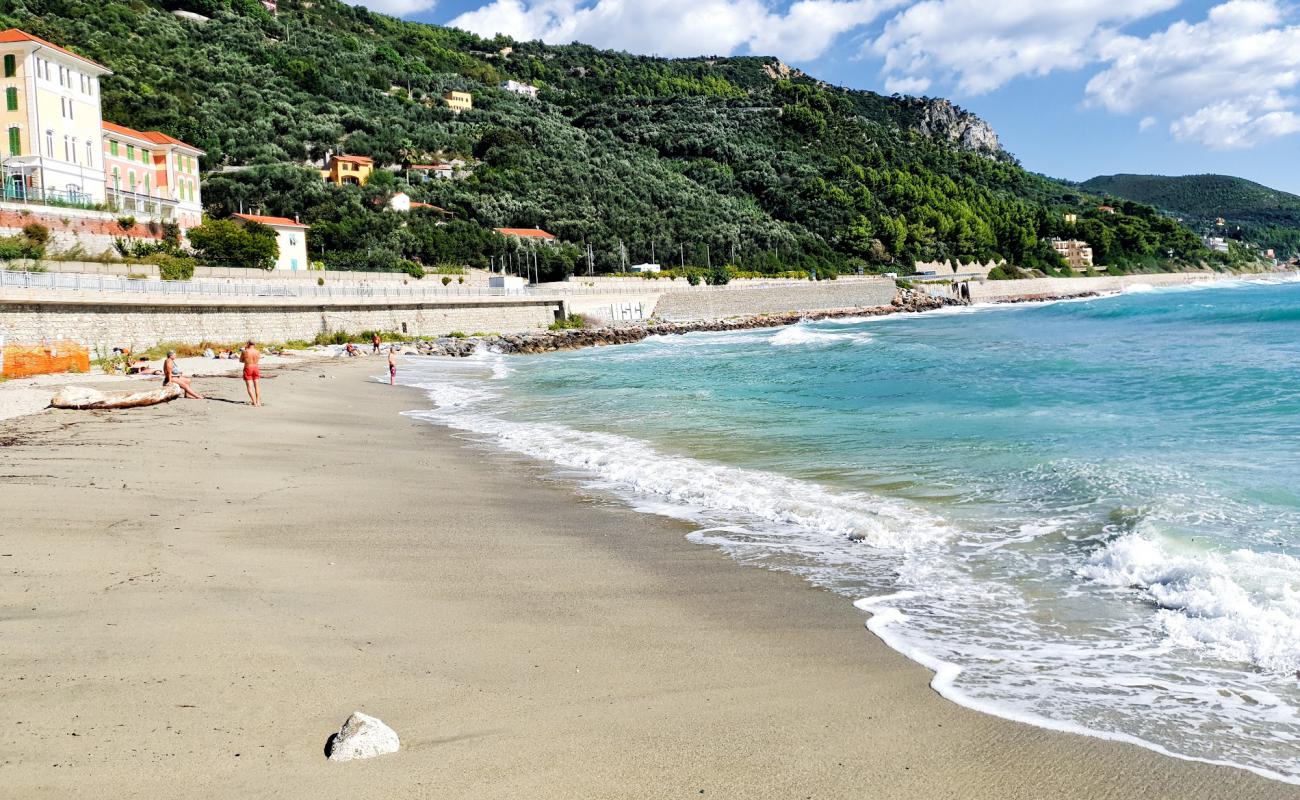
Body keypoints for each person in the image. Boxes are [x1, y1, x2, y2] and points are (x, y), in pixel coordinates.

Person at [240, 340, 262, 407]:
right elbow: (258, 359)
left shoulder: (245, 351)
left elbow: (241, 360)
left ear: (248, 344)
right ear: (254, 344)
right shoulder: (257, 351)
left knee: (249, 386)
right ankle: (258, 402)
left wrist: (244, 351)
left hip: (248, 367)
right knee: (257, 385)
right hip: (255, 367)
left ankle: (254, 402)